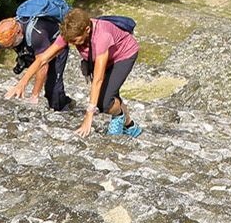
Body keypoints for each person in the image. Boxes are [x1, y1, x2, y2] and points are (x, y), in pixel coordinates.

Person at [10, 9, 138, 138]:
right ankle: (130, 126)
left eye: (75, 41)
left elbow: (98, 79)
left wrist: (88, 118)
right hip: (103, 56)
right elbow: (43, 58)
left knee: (104, 102)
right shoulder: (69, 33)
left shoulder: (102, 36)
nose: (70, 44)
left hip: (123, 55)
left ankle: (118, 116)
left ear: (87, 30)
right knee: (109, 94)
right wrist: (22, 82)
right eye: (69, 41)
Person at [0, 10, 73, 112]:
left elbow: (43, 65)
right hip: (35, 47)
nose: (8, 48)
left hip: (56, 45)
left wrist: (34, 96)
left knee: (52, 87)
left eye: (10, 45)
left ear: (18, 33)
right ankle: (65, 100)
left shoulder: (37, 34)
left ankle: (63, 108)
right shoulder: (3, 33)